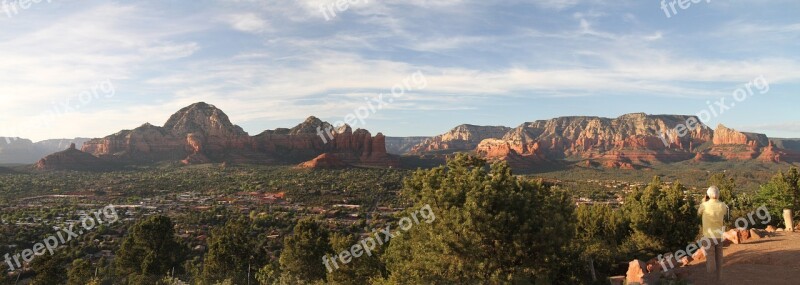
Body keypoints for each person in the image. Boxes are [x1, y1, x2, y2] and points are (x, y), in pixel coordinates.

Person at [698, 186, 728, 284]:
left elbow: (699, 213)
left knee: (710, 258)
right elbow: (724, 212)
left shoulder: (704, 205)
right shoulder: (723, 205)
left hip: (708, 236)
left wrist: (703, 201)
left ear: (708, 195)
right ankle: (719, 279)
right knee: (719, 258)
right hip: (719, 235)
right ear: (718, 194)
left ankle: (711, 281)